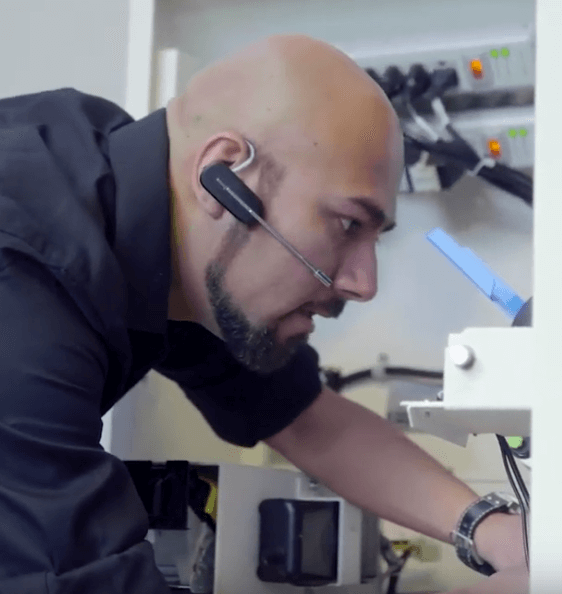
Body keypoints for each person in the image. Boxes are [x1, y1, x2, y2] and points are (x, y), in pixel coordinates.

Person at [0, 34, 527, 594]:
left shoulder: (146, 214)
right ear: (226, 179)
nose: (363, 284)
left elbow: (306, 420)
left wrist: (496, 533)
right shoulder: (25, 271)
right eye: (349, 224)